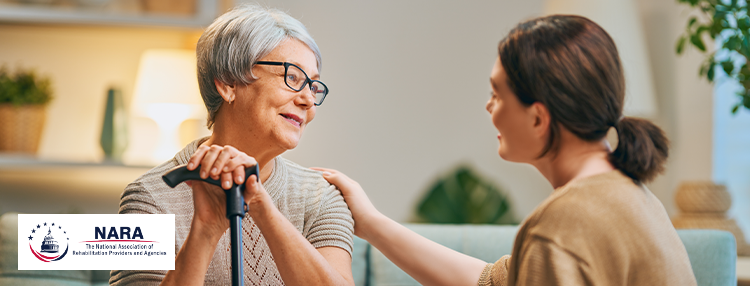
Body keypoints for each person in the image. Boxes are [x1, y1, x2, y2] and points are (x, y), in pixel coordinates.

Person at [312, 15, 698, 286]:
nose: (488, 106)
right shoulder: (626, 195)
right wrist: (369, 222)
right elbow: (491, 282)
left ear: (537, 118)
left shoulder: (567, 221)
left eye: (497, 94)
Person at [110, 5, 355, 286]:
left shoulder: (320, 197)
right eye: (292, 77)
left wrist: (261, 204)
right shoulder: (149, 197)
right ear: (228, 83)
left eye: (313, 86)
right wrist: (204, 230)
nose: (308, 101)